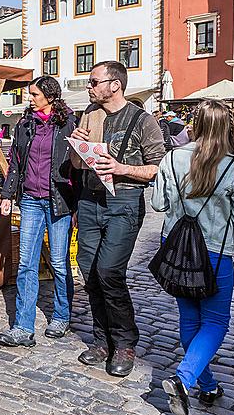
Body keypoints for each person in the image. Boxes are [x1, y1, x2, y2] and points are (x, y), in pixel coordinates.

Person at [151, 99, 234, 415]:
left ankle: (207, 385)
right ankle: (184, 379)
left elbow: (158, 202)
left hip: (176, 250)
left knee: (190, 320)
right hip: (215, 252)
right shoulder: (233, 166)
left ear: (196, 124)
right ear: (226, 127)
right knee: (216, 323)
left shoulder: (173, 157)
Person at [71, 61, 166, 377]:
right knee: (90, 273)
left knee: (109, 271)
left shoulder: (143, 120)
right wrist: (76, 144)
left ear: (115, 85)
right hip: (89, 200)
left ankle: (124, 342)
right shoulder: (89, 114)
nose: (90, 86)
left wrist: (123, 168)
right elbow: (75, 163)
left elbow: (158, 167)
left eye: (94, 81)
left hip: (123, 202)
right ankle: (102, 341)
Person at [0, 76, 78, 347]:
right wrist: (8, 194)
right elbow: (16, 162)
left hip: (59, 200)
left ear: (49, 96)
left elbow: (77, 166)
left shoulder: (69, 124)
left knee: (58, 262)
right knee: (26, 264)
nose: (30, 98)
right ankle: (22, 326)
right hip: (30, 199)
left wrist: (78, 204)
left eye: (34, 94)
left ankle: (62, 315)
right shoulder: (25, 125)